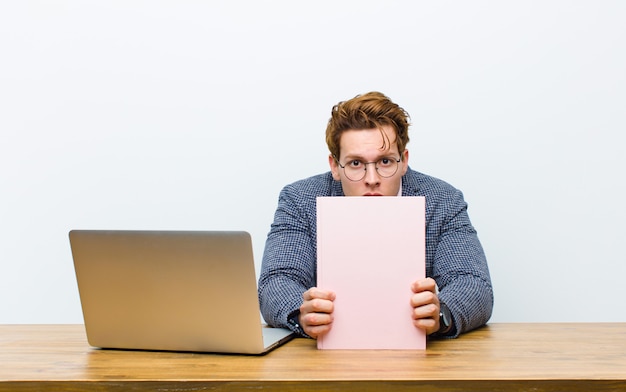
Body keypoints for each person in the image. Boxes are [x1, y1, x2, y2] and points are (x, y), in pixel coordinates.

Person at [258, 91, 493, 339]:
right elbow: (277, 279)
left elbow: (473, 283)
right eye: (356, 164)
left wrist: (441, 314)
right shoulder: (300, 200)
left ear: (403, 161)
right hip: (325, 357)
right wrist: (302, 315)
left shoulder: (442, 200)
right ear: (335, 167)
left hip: (419, 358)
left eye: (385, 162)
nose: (372, 180)